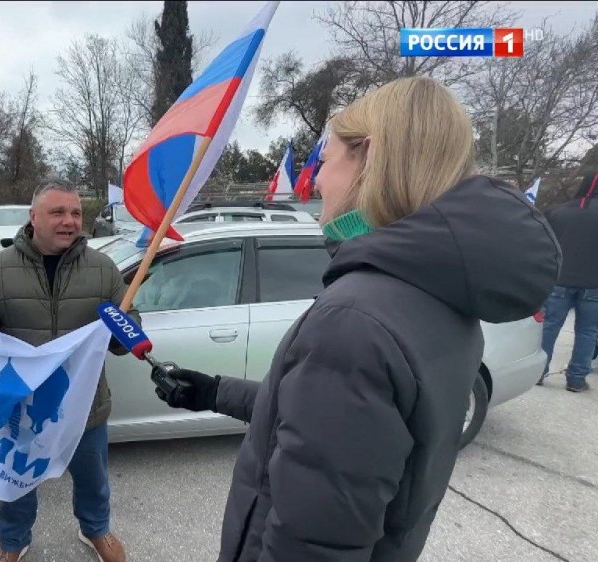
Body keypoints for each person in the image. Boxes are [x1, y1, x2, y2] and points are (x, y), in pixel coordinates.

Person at [151, 76, 560, 562]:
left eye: (325, 161)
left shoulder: (355, 320)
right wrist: (214, 392)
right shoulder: (434, 296)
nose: (317, 182)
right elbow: (332, 426)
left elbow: (314, 546)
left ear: (369, 157)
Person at [0, 179, 135, 562]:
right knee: (16, 479)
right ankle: (13, 540)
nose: (69, 221)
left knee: (93, 479)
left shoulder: (103, 270)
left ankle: (96, 529)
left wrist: (126, 328)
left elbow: (124, 340)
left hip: (86, 406)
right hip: (20, 406)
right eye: (58, 212)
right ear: (34, 217)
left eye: (75, 213)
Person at [537, 169, 598, 392]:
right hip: (594, 285)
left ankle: (538, 371)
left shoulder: (558, 212)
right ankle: (577, 379)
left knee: (549, 326)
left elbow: (543, 245)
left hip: (560, 279)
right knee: (588, 332)